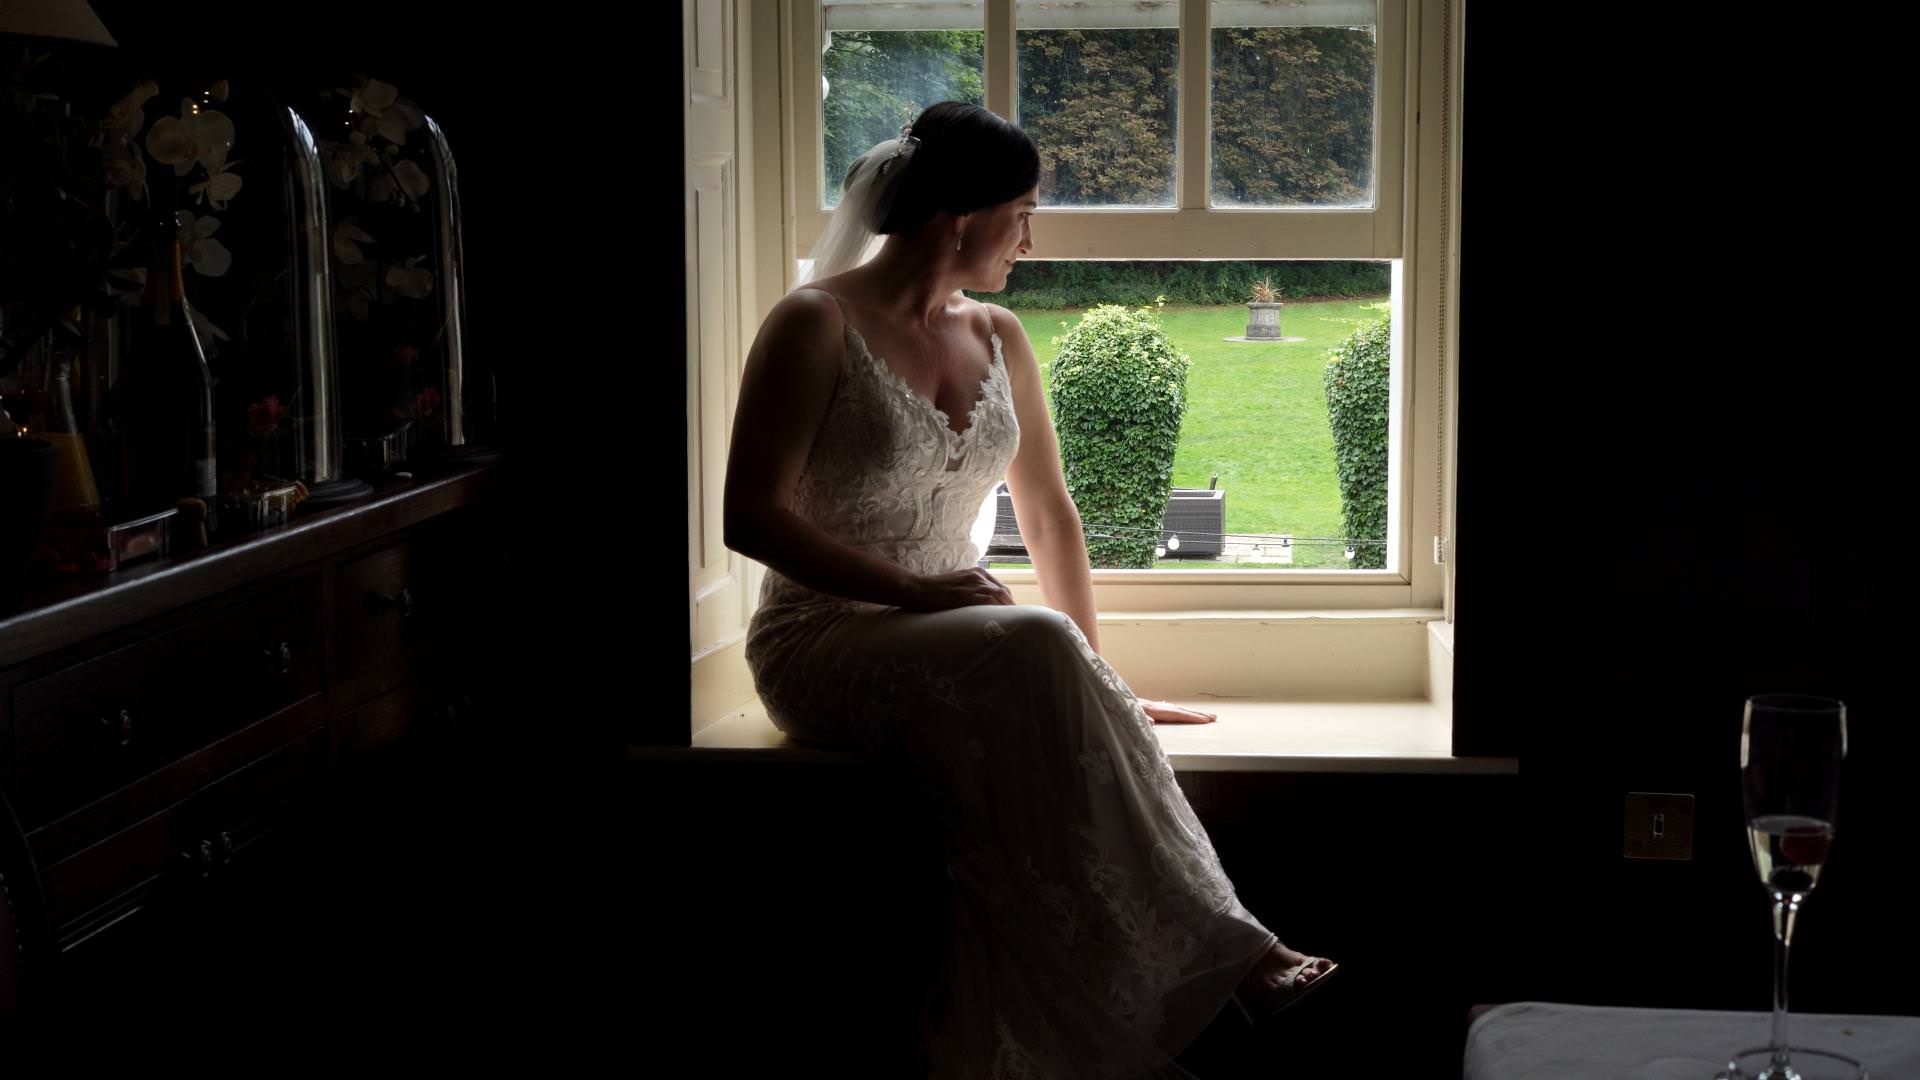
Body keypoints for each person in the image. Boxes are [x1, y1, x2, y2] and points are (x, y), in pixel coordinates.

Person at [722, 101, 1335, 1078]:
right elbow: (748, 518)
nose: (1031, 238)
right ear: (960, 217)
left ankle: (1089, 1008)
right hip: (822, 644)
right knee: (1037, 643)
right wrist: (916, 595)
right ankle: (1234, 951)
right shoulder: (814, 323)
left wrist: (1100, 682)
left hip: (958, 641)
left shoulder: (1000, 333)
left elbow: (1050, 517)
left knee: (1045, 670)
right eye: (1023, 212)